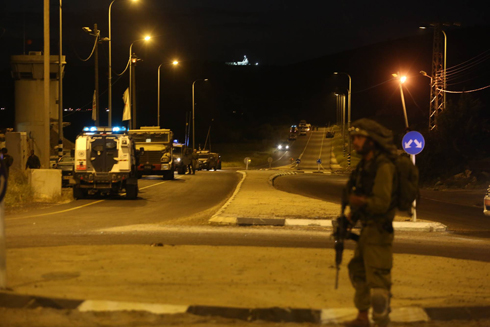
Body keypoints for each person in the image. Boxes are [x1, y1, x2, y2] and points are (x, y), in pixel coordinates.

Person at [342, 118, 398, 327]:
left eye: (359, 137)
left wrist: (359, 202)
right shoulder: (366, 166)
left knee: (378, 280)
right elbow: (362, 195)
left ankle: (382, 321)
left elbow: (382, 203)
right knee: (358, 271)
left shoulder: (383, 167)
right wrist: (350, 217)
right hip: (367, 231)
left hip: (380, 231)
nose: (354, 142)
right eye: (354, 137)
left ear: (371, 141)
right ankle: (362, 318)